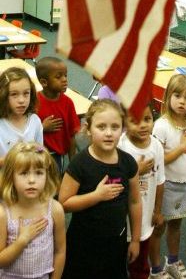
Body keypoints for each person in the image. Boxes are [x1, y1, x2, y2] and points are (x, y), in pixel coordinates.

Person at [58, 99, 142, 279]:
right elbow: (64, 203)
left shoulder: (128, 163)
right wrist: (96, 196)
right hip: (83, 244)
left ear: (123, 129)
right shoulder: (80, 163)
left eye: (115, 127)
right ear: (88, 129)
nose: (109, 133)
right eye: (101, 127)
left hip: (115, 243)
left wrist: (135, 239)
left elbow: (135, 202)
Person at [151, 74, 186, 279]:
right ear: (167, 97)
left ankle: (173, 261)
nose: (182, 101)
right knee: (159, 226)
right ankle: (155, 269)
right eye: (178, 96)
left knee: (177, 224)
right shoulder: (161, 125)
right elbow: (159, 160)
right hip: (165, 186)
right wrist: (182, 147)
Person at [0, 141, 66, 279]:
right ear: (11, 176)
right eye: (24, 173)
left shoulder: (54, 209)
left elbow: (60, 251)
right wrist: (22, 240)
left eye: (39, 173)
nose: (31, 180)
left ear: (47, 175)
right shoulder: (3, 213)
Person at [118, 105, 165, 279]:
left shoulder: (157, 146)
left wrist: (158, 211)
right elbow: (113, 179)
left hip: (144, 221)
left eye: (147, 119)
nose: (143, 125)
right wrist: (136, 170)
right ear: (124, 121)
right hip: (121, 221)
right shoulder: (120, 145)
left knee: (140, 266)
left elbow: (160, 181)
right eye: (135, 121)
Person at [36, 57, 80, 174]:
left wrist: (73, 165)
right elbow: (25, 130)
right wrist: (42, 128)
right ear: (44, 82)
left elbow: (72, 136)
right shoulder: (34, 102)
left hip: (57, 156)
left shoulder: (68, 102)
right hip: (37, 154)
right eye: (58, 77)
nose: (64, 80)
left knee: (55, 186)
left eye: (65, 75)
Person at [0, 67, 43, 167]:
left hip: (29, 179)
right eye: (14, 94)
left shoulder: (35, 121)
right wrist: (14, 160)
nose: (21, 100)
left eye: (26, 93)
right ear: (3, 95)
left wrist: (39, 153)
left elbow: (40, 150)